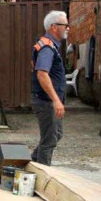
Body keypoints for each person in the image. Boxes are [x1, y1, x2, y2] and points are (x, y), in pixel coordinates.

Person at [30, 11, 68, 166]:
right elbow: (42, 74)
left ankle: (33, 161)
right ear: (54, 27)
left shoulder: (48, 45)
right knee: (49, 140)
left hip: (47, 100)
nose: (68, 28)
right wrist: (56, 100)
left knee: (56, 134)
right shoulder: (47, 48)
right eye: (65, 25)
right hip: (46, 102)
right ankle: (42, 176)